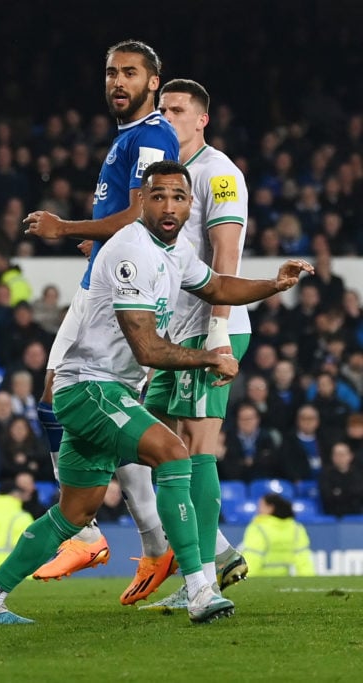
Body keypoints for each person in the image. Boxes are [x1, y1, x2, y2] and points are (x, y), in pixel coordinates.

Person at [0, 160, 311, 626]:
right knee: (173, 453)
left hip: (105, 389)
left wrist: (275, 284)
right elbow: (146, 347)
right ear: (142, 200)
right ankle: (200, 588)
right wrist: (210, 357)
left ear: (190, 205)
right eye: (159, 195)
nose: (169, 206)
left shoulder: (175, 248)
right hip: (90, 387)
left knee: (74, 512)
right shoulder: (132, 252)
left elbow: (217, 285)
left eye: (179, 197)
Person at [23, 40, 181, 588]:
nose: (118, 81)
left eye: (130, 73)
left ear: (153, 81)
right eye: (112, 72)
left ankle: (92, 537)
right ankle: (149, 544)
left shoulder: (152, 136)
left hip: (111, 293)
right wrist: (100, 243)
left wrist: (67, 229)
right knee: (92, 407)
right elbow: (126, 219)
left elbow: (142, 212)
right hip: (104, 280)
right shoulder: (127, 137)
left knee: (67, 398)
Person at [133, 79, 253, 609]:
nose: (166, 116)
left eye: (176, 109)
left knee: (198, 448)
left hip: (212, 327)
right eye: (161, 109)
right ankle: (219, 553)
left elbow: (225, 255)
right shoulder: (163, 176)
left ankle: (199, 578)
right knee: (154, 444)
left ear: (202, 118)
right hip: (175, 332)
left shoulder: (219, 174)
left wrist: (221, 333)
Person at [241, 494, 316, 577]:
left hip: (259, 581)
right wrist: (308, 581)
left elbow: (253, 557)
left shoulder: (258, 528)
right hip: (282, 582)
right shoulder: (296, 528)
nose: (258, 510)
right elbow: (303, 560)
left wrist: (245, 580)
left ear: (270, 508)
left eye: (261, 505)